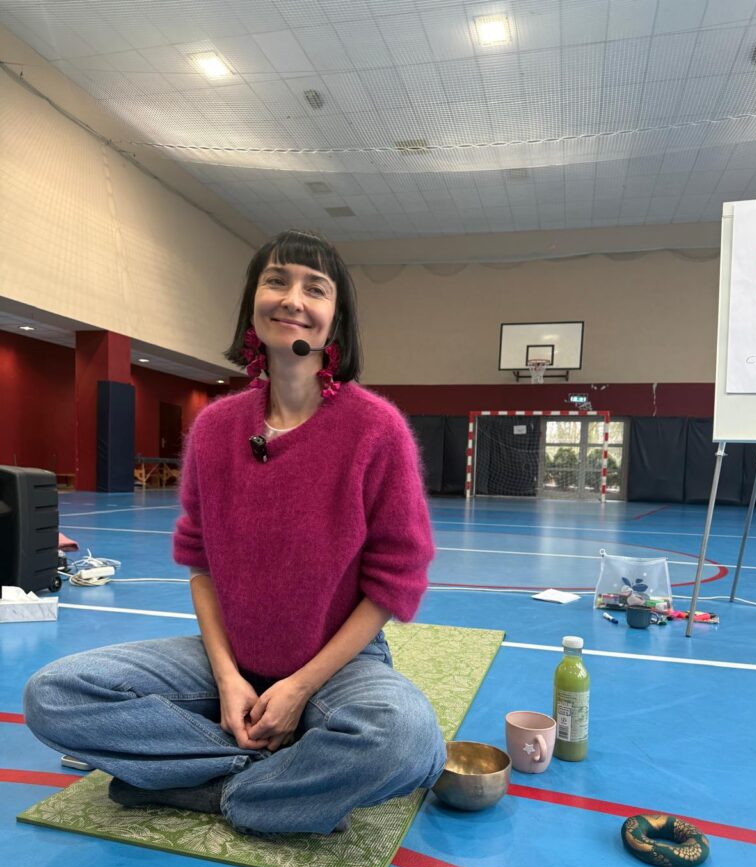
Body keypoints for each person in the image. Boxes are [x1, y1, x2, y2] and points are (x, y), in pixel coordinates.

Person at [23, 229, 446, 835]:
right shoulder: (216, 428)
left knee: (406, 739)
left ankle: (198, 784)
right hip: (228, 658)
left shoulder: (377, 430)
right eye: (276, 281)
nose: (292, 298)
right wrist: (227, 679)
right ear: (253, 302)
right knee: (54, 694)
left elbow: (392, 583)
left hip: (337, 669)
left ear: (338, 320)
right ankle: (267, 779)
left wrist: (299, 688)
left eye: (315, 288)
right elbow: (201, 566)